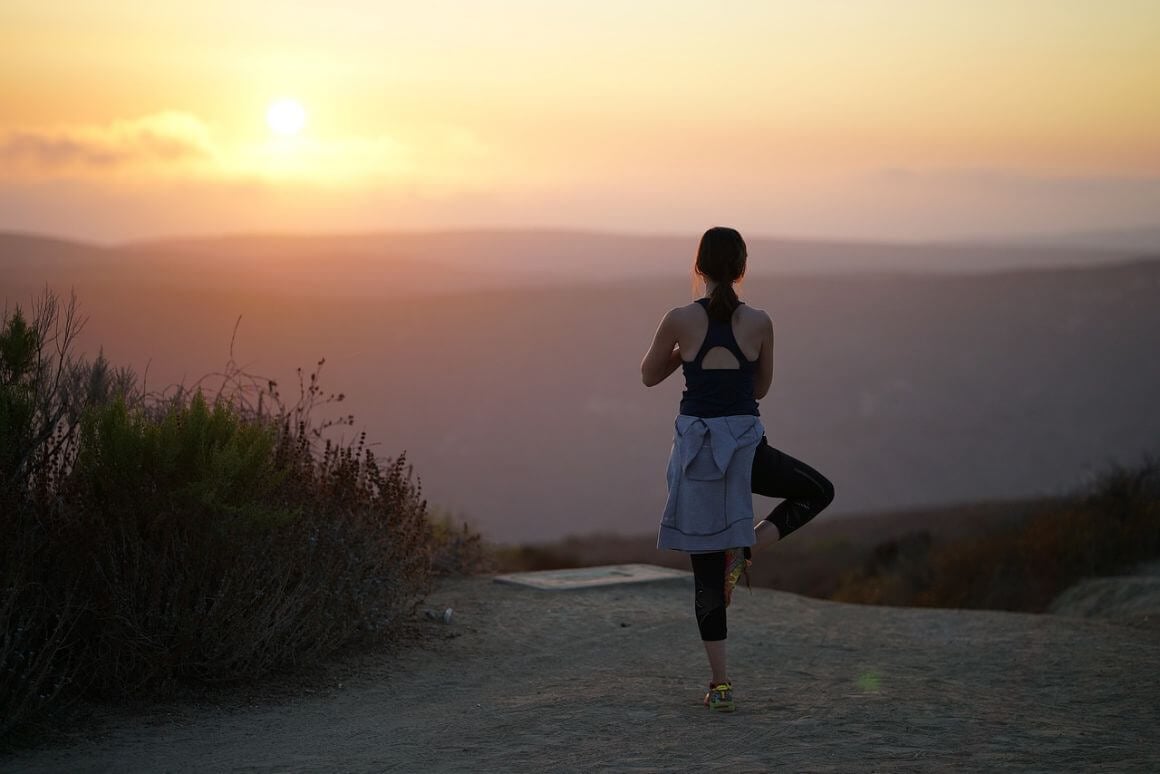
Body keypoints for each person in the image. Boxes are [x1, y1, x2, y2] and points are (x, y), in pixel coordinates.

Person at [640, 226, 835, 713]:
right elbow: (761, 389)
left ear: (699, 266)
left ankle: (721, 684)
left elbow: (648, 375)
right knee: (816, 491)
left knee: (705, 570)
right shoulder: (762, 322)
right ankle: (750, 545)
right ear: (743, 267)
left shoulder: (679, 318)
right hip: (746, 451)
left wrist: (687, 353)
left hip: (697, 456)